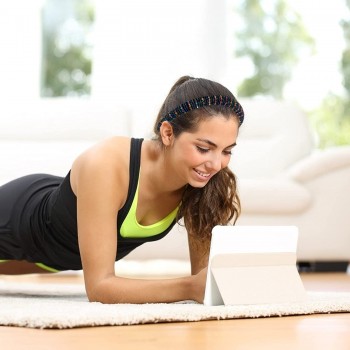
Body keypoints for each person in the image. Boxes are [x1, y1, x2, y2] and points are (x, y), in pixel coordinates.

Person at [0, 76, 244, 304]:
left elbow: (204, 281)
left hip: (48, 258)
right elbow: (99, 288)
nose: (216, 164)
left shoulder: (202, 181)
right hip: (15, 219)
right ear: (168, 133)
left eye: (226, 151)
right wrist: (187, 287)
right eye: (203, 148)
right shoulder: (105, 164)